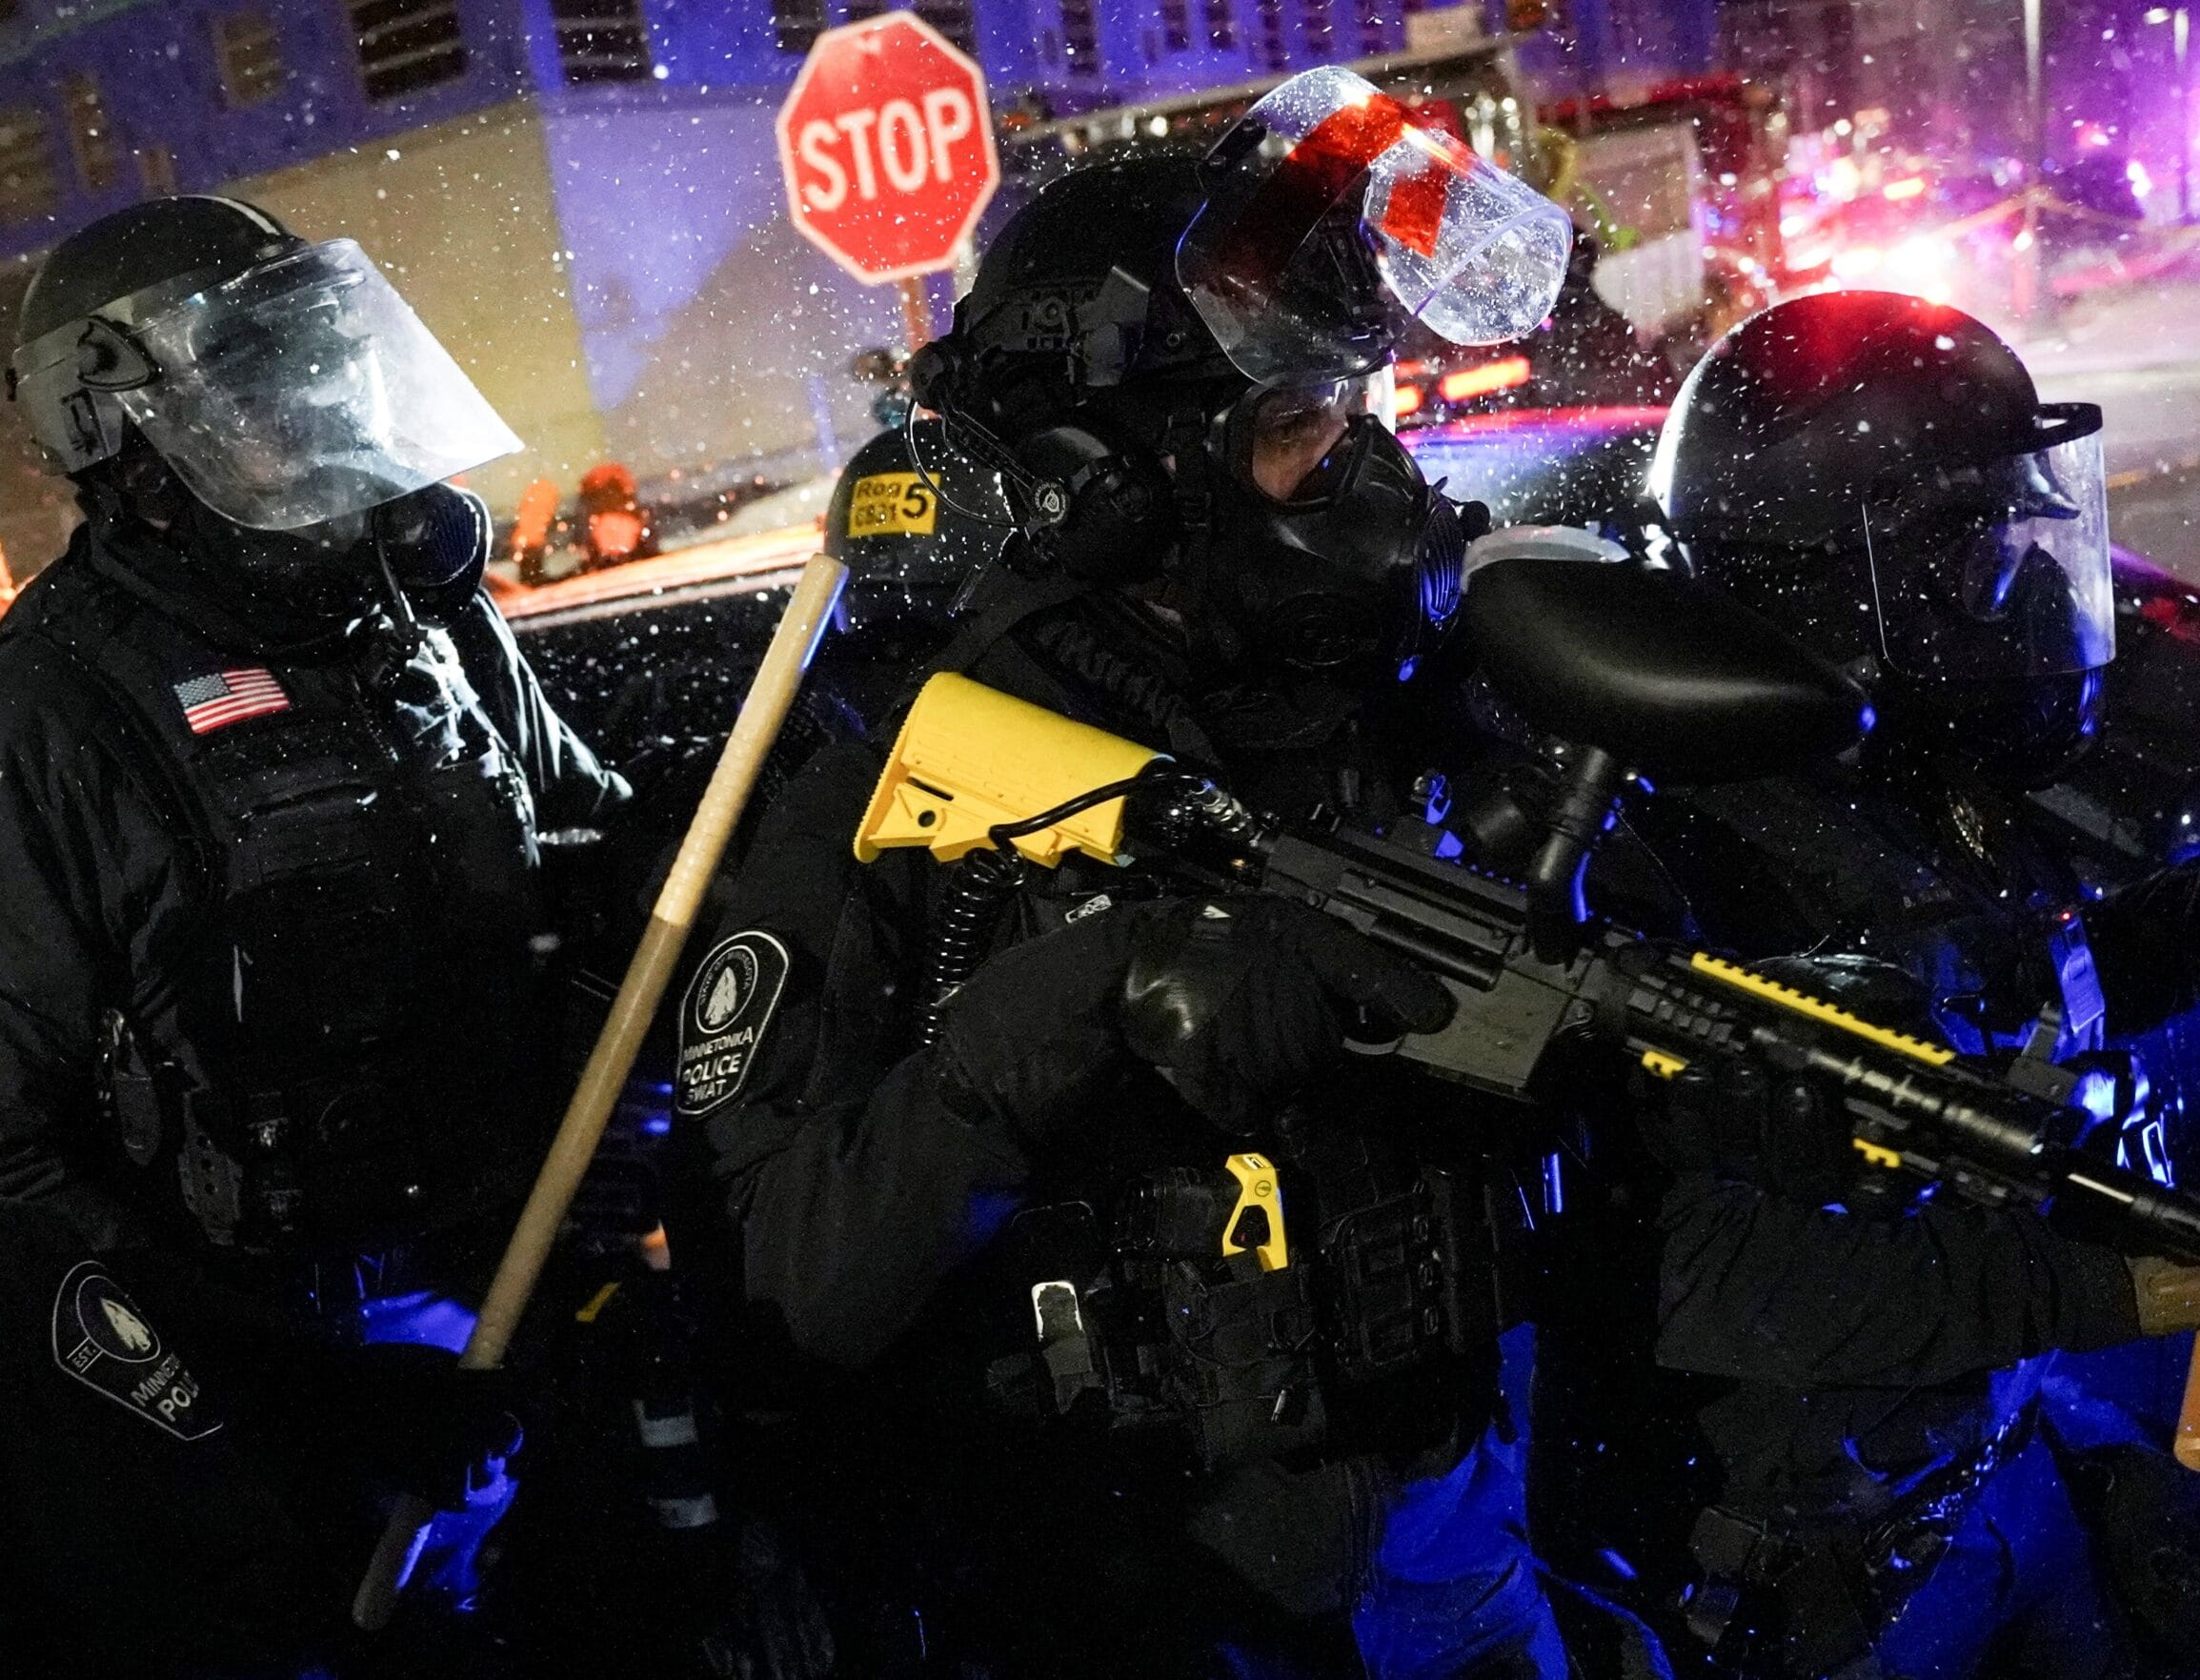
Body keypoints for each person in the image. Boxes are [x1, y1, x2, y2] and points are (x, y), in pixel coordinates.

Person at [673, 70, 1588, 1678]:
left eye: (1368, 409)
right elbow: (792, 1285)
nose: (1365, 470)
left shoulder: (1383, 697)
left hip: (1455, 1537)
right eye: (1303, 421)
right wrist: (1077, 996)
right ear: (1121, 472)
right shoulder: (898, 781)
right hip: (1134, 1596)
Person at [1621, 290, 2200, 1678]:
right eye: (1977, 544)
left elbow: (2024, 1005)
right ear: (1827, 582)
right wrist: (2113, 1289)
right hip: (1834, 1585)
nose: (2024, 577)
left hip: (1982, 1462)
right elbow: (1704, 1272)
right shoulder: (1690, 859)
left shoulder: (1895, 790)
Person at [0, 195, 628, 1674]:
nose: (325, 406)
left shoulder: (422, 623)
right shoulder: (51, 714)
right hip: (258, 1423)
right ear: (130, 448)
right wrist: (305, 1393)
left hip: (522, 1300)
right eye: (262, 379)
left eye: (321, 360)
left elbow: (600, 862)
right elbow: (14, 1168)